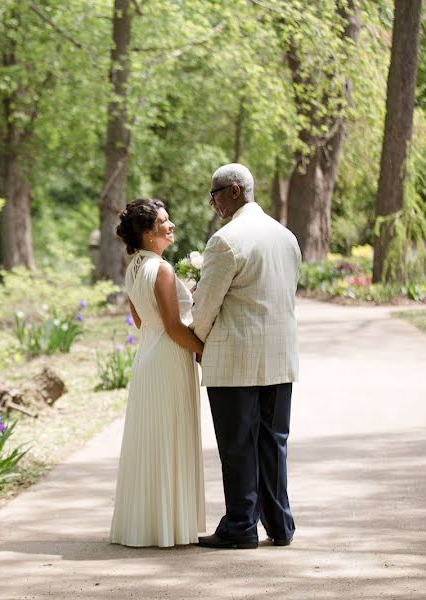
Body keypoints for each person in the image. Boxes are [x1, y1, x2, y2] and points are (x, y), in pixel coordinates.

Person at [192, 163, 301, 549]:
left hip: (235, 361)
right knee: (273, 444)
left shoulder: (225, 240)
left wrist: (196, 343)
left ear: (234, 191)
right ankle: (280, 525)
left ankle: (240, 527)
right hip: (279, 358)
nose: (213, 203)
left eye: (215, 194)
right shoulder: (286, 236)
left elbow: (205, 306)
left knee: (238, 446)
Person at [109, 198, 206, 547]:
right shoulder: (161, 269)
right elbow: (174, 327)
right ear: (149, 233)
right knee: (169, 436)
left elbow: (140, 321)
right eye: (164, 222)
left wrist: (186, 293)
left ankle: (148, 524)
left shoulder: (134, 267)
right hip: (168, 357)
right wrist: (206, 350)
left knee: (152, 438)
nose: (171, 225)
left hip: (147, 355)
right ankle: (168, 526)